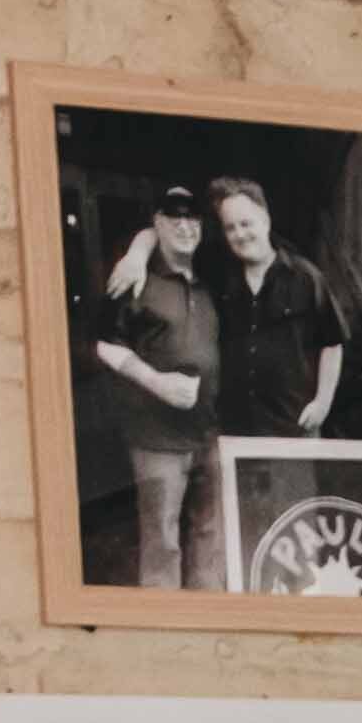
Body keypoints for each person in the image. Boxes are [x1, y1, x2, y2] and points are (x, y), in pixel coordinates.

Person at [90, 168, 224, 586]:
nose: (185, 225)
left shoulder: (212, 279)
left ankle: (207, 614)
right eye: (173, 217)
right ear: (157, 224)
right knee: (162, 542)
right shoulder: (135, 280)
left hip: (210, 436)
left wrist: (141, 244)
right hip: (156, 441)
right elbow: (104, 345)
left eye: (192, 218)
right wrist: (157, 382)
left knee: (211, 538)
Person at [208, 166, 354, 442]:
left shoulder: (305, 277)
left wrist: (322, 403)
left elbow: (333, 342)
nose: (240, 234)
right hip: (236, 431)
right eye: (230, 227)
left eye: (246, 223)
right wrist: (138, 252)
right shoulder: (221, 279)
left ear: (265, 220)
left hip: (293, 428)